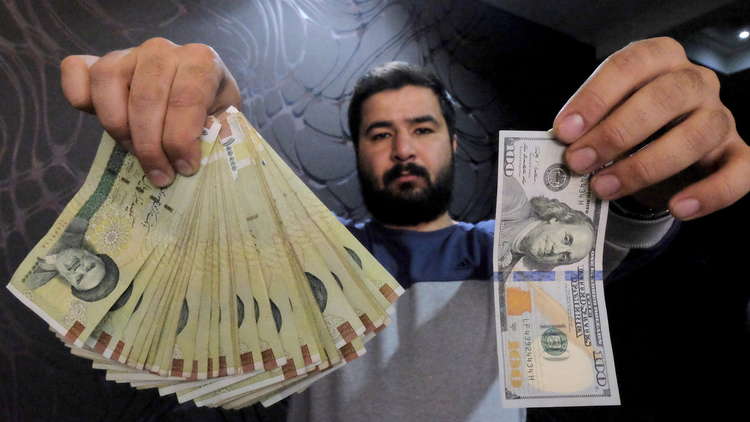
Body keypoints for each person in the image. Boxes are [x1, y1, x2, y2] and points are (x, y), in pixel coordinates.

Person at [59, 37, 750, 421]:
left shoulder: (506, 250)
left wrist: (645, 190)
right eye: (379, 133)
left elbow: (615, 237)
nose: (402, 150)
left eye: (422, 128)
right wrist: (208, 143)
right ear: (358, 150)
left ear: (452, 141)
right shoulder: (313, 250)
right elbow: (212, 238)